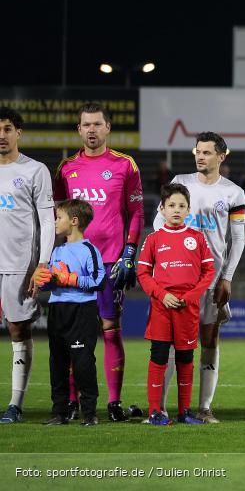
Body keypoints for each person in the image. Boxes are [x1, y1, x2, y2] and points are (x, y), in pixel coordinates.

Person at [54, 102, 144, 422]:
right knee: (73, 334)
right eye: (85, 125)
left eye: (97, 124)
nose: (91, 130)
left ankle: (114, 403)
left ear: (107, 127)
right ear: (78, 129)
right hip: (74, 264)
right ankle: (76, 401)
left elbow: (136, 213)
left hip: (109, 262)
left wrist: (130, 253)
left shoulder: (125, 165)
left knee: (109, 329)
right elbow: (59, 216)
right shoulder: (65, 168)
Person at [153, 132, 245, 423]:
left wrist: (226, 278)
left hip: (210, 281)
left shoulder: (233, 192)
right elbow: (159, 225)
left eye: (207, 152)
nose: (200, 156)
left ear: (221, 156)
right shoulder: (180, 184)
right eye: (198, 151)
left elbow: (238, 239)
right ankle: (162, 409)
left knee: (209, 338)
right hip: (174, 279)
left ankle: (204, 408)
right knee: (168, 342)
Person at [138, 183, 216, 426]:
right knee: (159, 356)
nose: (176, 210)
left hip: (187, 308)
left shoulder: (197, 238)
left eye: (182, 206)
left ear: (188, 210)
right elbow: (142, 273)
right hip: (162, 307)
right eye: (171, 205)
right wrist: (162, 295)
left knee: (185, 358)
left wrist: (192, 295)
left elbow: (208, 271)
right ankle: (154, 412)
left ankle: (184, 412)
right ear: (162, 208)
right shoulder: (153, 239)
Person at [0, 107, 54, 425]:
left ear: (18, 132)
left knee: (18, 330)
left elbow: (47, 221)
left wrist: (42, 264)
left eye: (7, 128)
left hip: (20, 266)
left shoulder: (35, 170)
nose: (1, 135)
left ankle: (15, 405)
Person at [35, 200, 105, 426]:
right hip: (57, 309)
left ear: (74, 221)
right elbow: (54, 282)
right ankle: (59, 412)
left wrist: (71, 278)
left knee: (83, 363)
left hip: (81, 311)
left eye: (59, 217)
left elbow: (99, 281)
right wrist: (45, 282)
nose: (55, 222)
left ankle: (90, 413)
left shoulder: (89, 250)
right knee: (57, 363)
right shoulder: (56, 250)